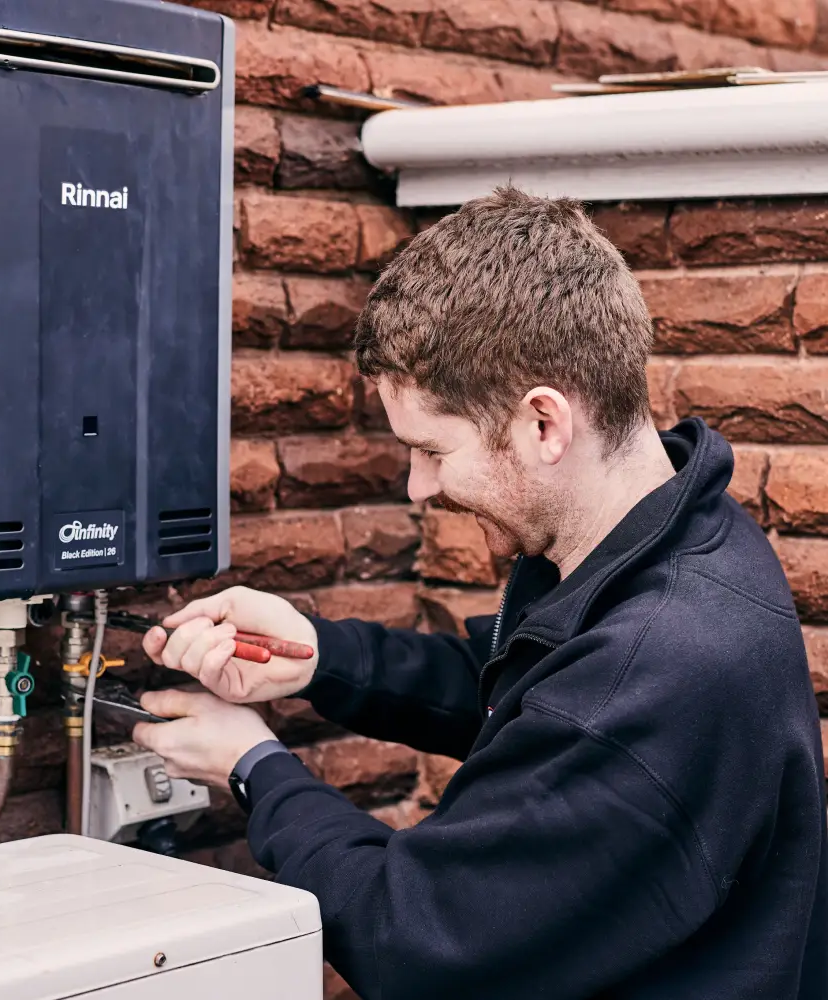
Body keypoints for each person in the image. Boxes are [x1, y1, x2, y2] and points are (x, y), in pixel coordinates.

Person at [132, 188, 827, 1000]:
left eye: (432, 449)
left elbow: (417, 934)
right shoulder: (678, 530)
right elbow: (530, 701)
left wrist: (256, 767)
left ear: (543, 424)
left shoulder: (662, 664)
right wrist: (320, 657)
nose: (419, 486)